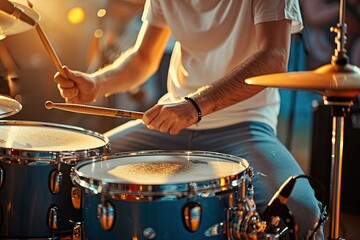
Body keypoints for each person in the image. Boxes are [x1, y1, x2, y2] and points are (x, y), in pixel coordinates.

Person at [54, 0, 324, 239]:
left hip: (245, 125)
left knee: (302, 212)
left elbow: (274, 56)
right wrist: (96, 83)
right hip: (173, 127)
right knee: (71, 171)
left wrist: (195, 106)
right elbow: (144, 58)